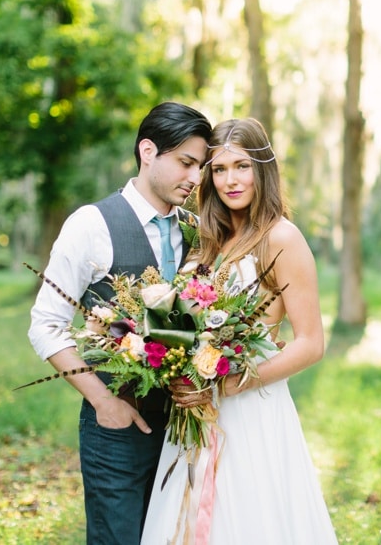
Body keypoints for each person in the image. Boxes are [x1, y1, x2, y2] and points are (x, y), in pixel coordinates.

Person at [140, 117, 337, 545]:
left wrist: (234, 383)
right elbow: (182, 324)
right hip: (196, 409)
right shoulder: (209, 240)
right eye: (220, 169)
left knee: (246, 519)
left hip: (251, 410)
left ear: (262, 170)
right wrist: (178, 365)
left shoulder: (281, 237)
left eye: (242, 166)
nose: (231, 180)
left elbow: (311, 343)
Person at [27, 101, 213, 545]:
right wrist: (103, 402)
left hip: (183, 429)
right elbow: (45, 325)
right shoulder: (91, 225)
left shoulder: (197, 231)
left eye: (201, 166)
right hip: (115, 431)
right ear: (148, 151)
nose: (195, 178)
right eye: (186, 162)